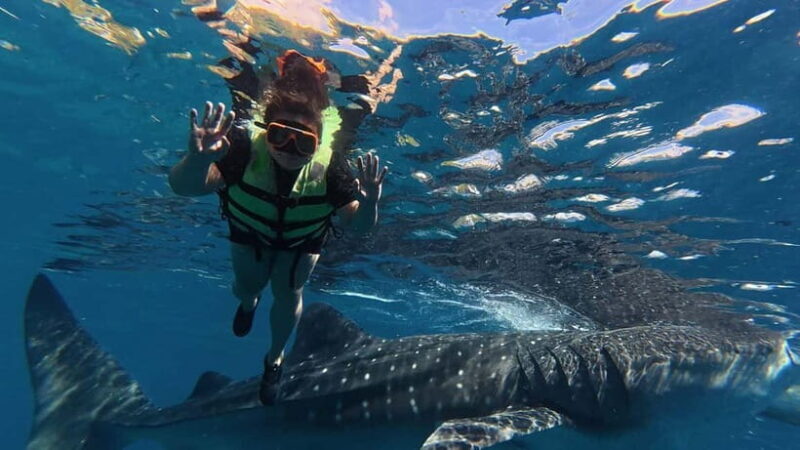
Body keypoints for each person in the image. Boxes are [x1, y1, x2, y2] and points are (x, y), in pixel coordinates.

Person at [169, 49, 387, 405]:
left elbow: (359, 228)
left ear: (318, 142)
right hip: (249, 234)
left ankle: (275, 359)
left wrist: (371, 202)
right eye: (279, 136)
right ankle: (249, 302)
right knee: (247, 286)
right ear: (264, 130)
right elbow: (185, 186)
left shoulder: (331, 169)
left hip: (301, 242)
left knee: (289, 294)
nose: (290, 148)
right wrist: (197, 159)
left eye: (304, 141)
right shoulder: (241, 149)